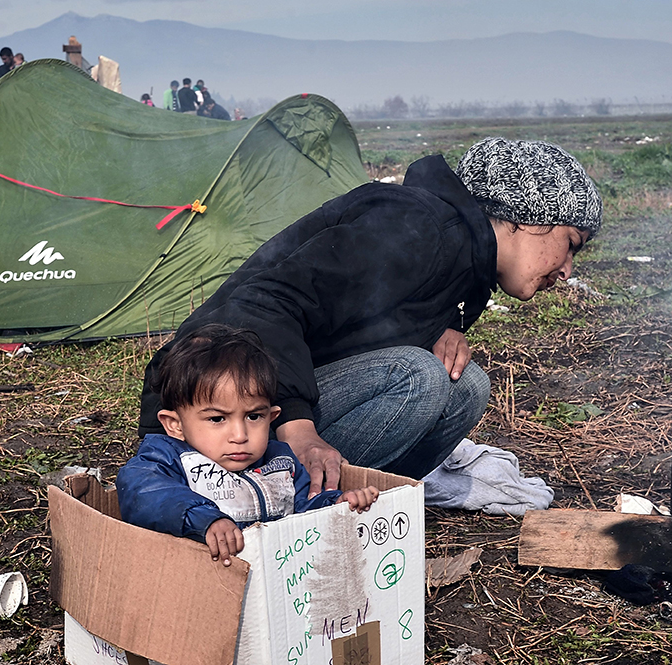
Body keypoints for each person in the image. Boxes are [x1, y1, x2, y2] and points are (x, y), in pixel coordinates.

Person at [138, 137, 602, 496]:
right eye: (570, 245)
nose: (566, 270)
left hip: (269, 401)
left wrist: (442, 326)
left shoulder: (469, 268)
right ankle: (260, 494)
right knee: (418, 377)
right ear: (524, 215)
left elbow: (360, 323)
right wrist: (297, 427)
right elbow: (267, 302)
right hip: (205, 403)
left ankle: (342, 500)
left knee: (466, 385)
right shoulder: (417, 227)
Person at [118, 324, 379, 566]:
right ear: (175, 425)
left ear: (272, 417)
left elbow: (302, 507)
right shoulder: (166, 459)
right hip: (202, 579)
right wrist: (205, 519)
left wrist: (336, 503)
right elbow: (144, 492)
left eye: (254, 416)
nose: (240, 435)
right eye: (217, 419)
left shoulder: (280, 462)